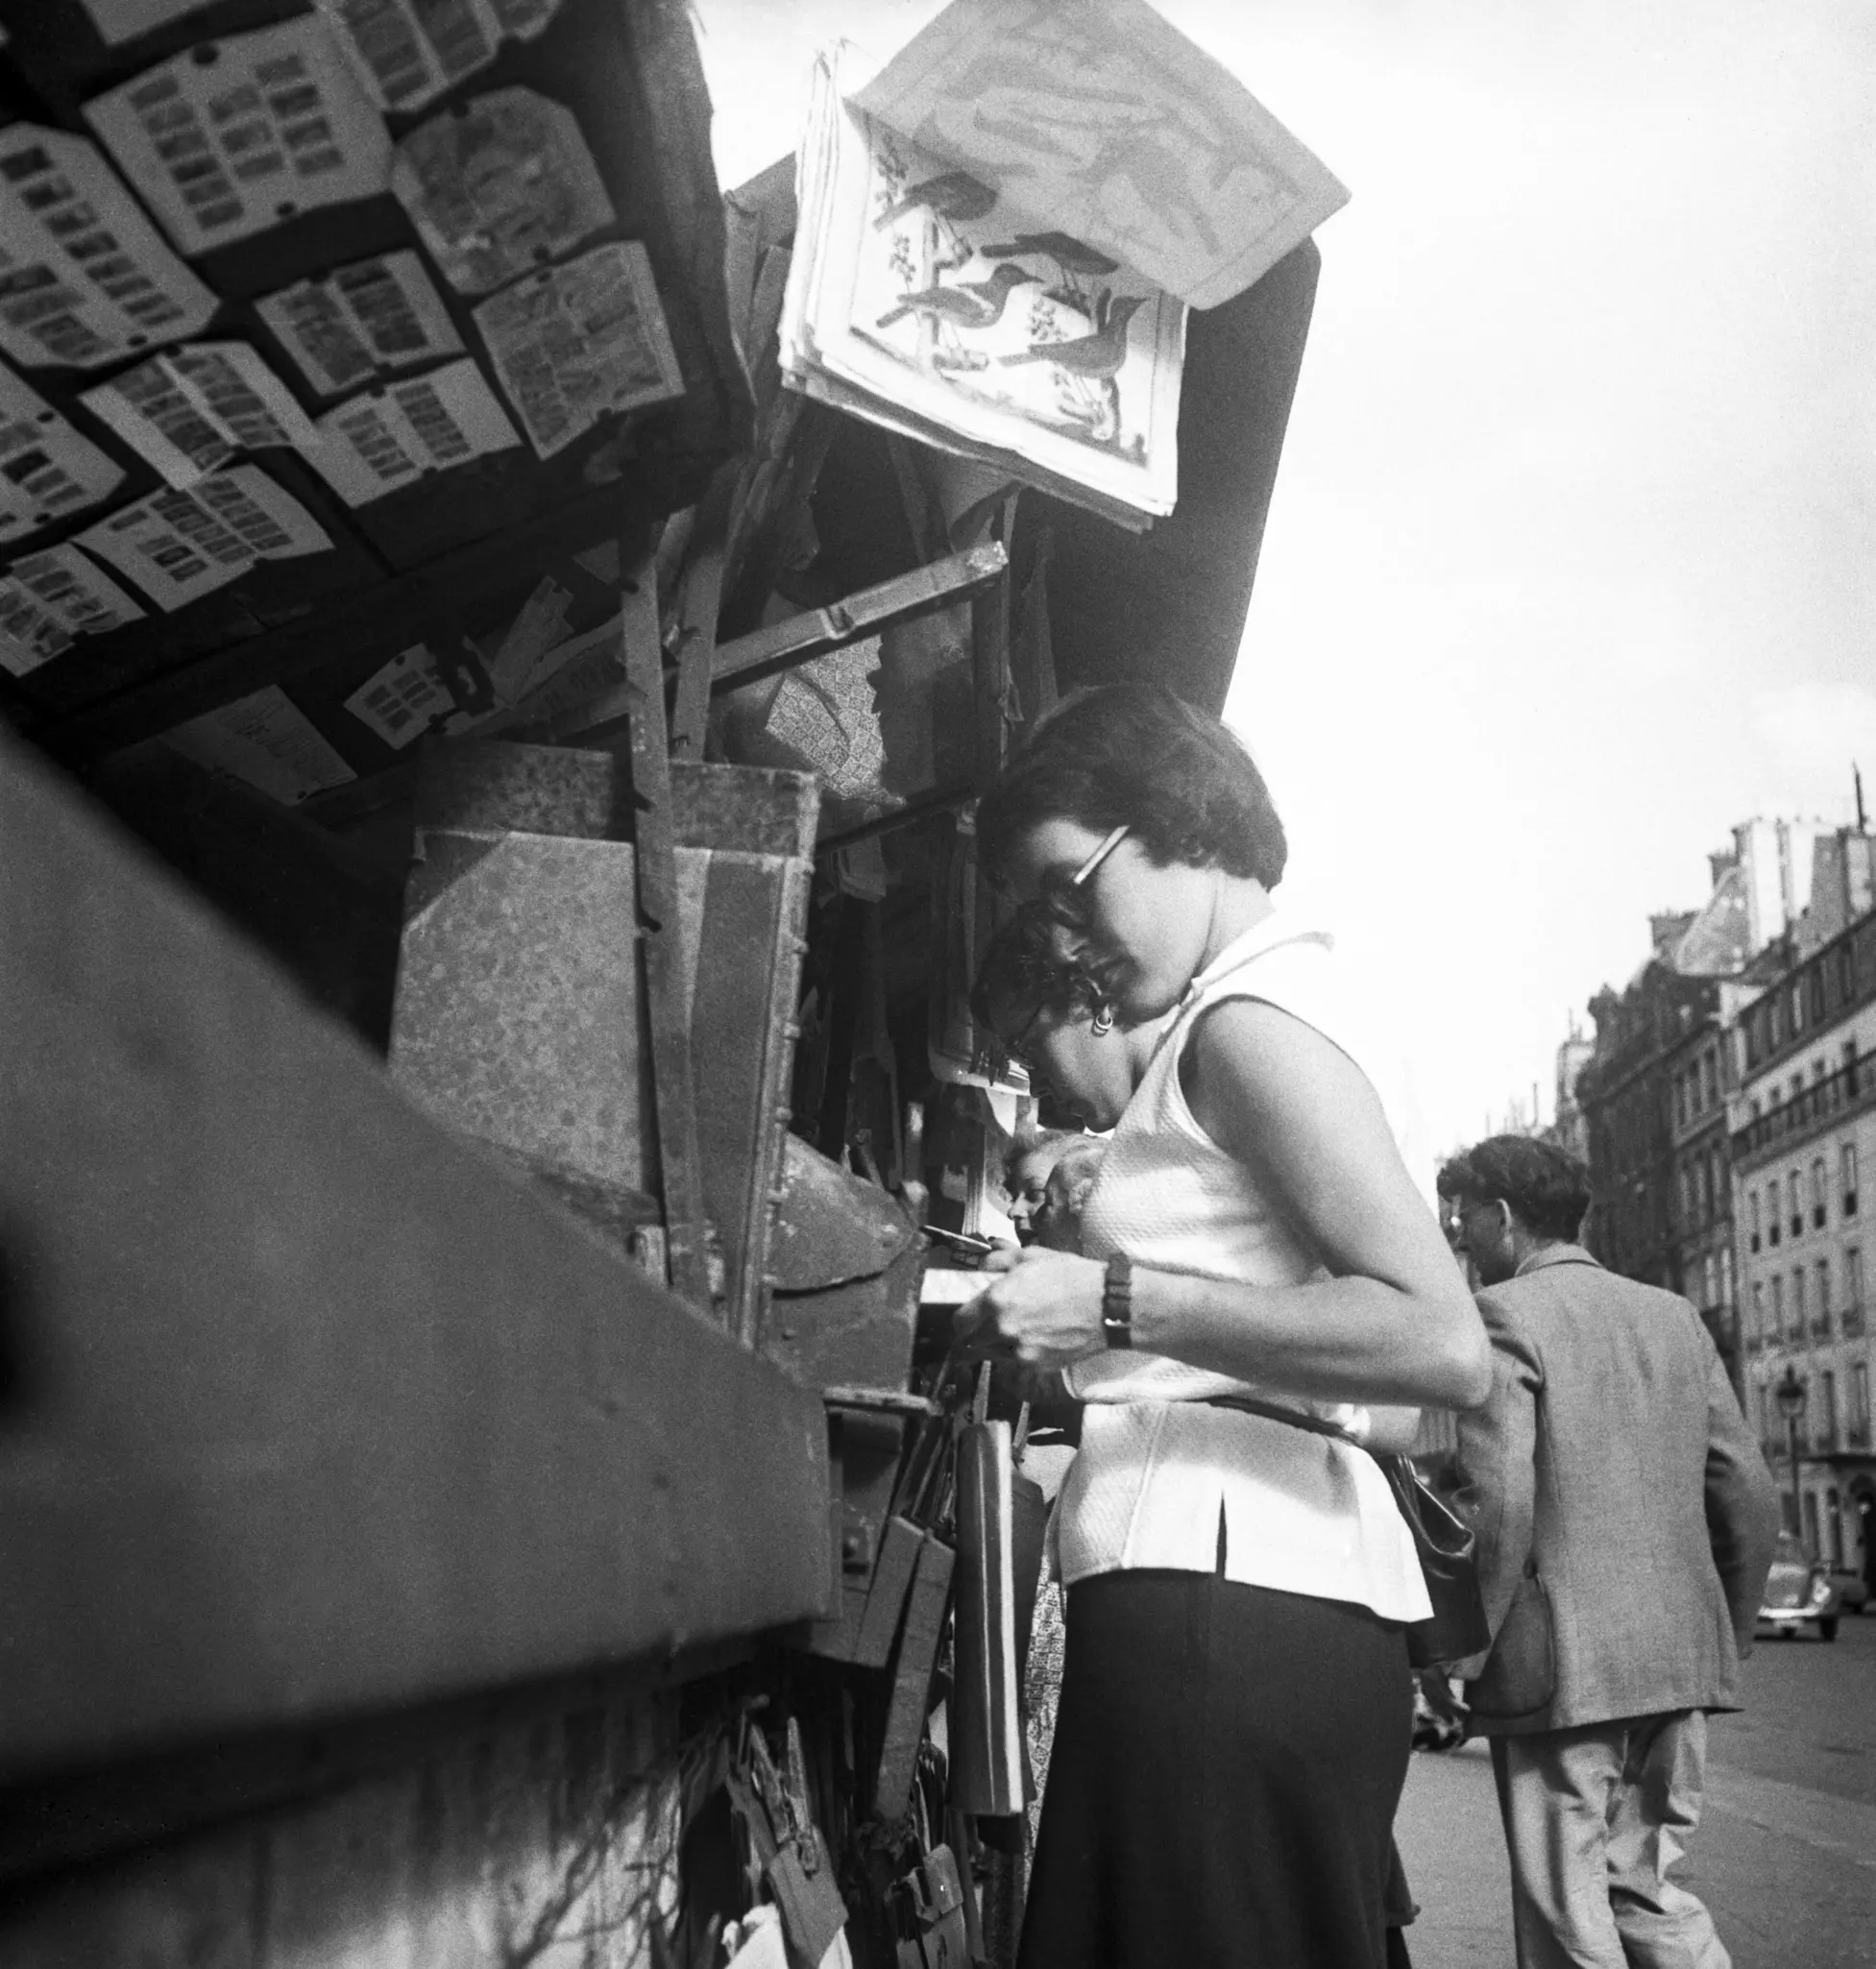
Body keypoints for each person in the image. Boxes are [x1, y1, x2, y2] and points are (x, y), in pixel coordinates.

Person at [959, 684, 1492, 1969]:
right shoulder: (1253, 1008)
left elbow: (1441, 1342)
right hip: (1240, 1590)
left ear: (1176, 823)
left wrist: (1110, 1299)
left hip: (1222, 1608)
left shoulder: (1247, 1025)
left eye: (1071, 883)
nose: (1064, 928)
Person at [1438, 1135, 1780, 1969]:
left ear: (1505, 1218)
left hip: (1562, 1672)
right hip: (1677, 1663)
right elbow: (1749, 1495)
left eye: (1464, 1221)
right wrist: (1723, 1634)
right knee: (1648, 1887)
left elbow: (1499, 1500)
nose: (1461, 1240)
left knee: (1566, 1906)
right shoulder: (1674, 1317)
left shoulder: (1506, 1316)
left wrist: (1464, 1653)